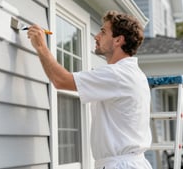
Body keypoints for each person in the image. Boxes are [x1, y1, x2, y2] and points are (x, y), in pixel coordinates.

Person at [27, 10, 152, 169]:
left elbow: (61, 81)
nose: (96, 36)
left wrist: (41, 46)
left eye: (103, 32)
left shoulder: (117, 74)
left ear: (118, 40)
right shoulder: (134, 74)